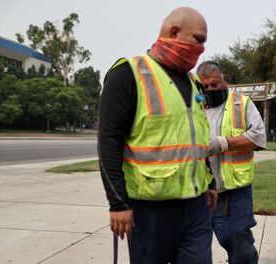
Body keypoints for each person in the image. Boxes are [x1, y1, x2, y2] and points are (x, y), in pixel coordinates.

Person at [98, 7, 217, 263]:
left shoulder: (194, 82)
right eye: (198, 40)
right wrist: (118, 203)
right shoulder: (128, 74)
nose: (202, 49)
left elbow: (197, 139)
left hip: (195, 207)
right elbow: (108, 142)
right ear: (174, 32)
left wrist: (209, 184)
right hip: (149, 209)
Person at [197, 61, 266, 264]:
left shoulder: (241, 104)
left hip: (233, 191)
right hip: (198, 190)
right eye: (206, 86)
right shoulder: (194, 106)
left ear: (224, 80)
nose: (211, 89)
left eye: (215, 84)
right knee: (193, 246)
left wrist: (224, 143)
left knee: (238, 242)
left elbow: (259, 139)